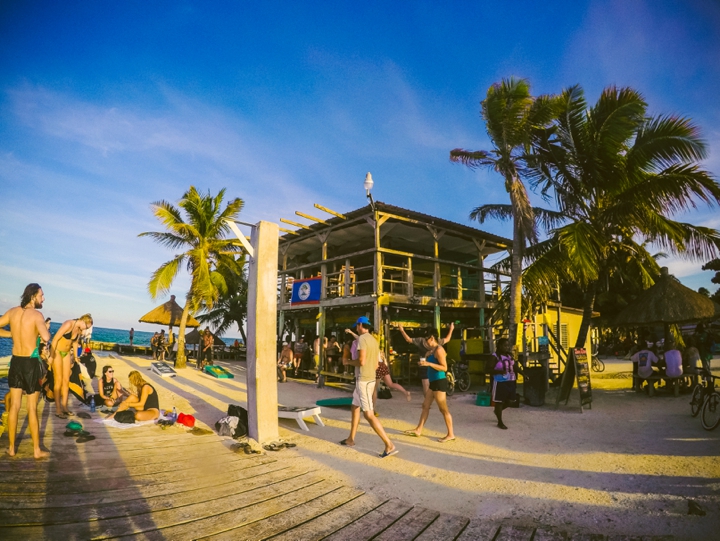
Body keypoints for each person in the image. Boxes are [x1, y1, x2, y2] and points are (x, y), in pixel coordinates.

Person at [0, 284, 51, 458]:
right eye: (41, 295)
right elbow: (45, 337)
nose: (43, 298)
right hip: (30, 364)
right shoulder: (37, 315)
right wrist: (40, 330)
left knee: (14, 406)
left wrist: (12, 334)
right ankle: (36, 450)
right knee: (31, 408)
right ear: (33, 297)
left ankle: (12, 448)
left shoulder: (12, 312)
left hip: (15, 362)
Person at [340, 316, 397, 458]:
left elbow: (361, 361)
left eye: (356, 326)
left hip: (364, 380)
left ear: (360, 325)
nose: (356, 328)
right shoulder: (373, 340)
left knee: (369, 414)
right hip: (369, 378)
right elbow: (376, 363)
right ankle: (350, 439)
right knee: (355, 406)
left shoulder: (362, 340)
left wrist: (348, 362)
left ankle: (389, 444)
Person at [403, 330, 454, 442]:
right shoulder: (431, 351)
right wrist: (423, 363)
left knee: (443, 409)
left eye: (426, 340)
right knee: (425, 406)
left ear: (432, 338)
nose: (425, 342)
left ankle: (451, 434)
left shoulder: (439, 350)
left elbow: (444, 367)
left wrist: (428, 363)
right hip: (433, 382)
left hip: (439, 381)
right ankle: (418, 429)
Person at [346, 329, 411, 408]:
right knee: (391, 384)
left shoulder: (369, 343)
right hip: (382, 365)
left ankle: (372, 409)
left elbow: (358, 338)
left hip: (376, 366)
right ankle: (405, 392)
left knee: (374, 390)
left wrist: (351, 332)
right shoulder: (376, 344)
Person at [49, 313, 93, 419]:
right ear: (83, 321)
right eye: (86, 327)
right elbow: (55, 339)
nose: (86, 330)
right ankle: (58, 409)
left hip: (67, 353)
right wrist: (51, 355)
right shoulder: (69, 324)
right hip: (58, 352)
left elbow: (74, 342)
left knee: (66, 381)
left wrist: (77, 357)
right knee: (58, 380)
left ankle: (65, 407)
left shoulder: (78, 329)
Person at [398, 322, 454, 395]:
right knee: (430, 386)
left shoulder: (422, 341)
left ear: (431, 338)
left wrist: (402, 330)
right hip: (431, 366)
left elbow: (408, 339)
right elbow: (447, 339)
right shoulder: (438, 341)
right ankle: (428, 400)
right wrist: (451, 329)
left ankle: (429, 400)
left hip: (426, 365)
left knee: (426, 385)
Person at [491, 337, 521, 430]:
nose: (507, 347)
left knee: (511, 400)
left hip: (510, 381)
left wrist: (523, 374)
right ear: (499, 346)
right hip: (499, 382)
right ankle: (500, 421)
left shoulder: (509, 356)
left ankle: (497, 411)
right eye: (505, 345)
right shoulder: (494, 356)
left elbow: (515, 366)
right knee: (499, 402)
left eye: (508, 345)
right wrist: (499, 371)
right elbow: (487, 369)